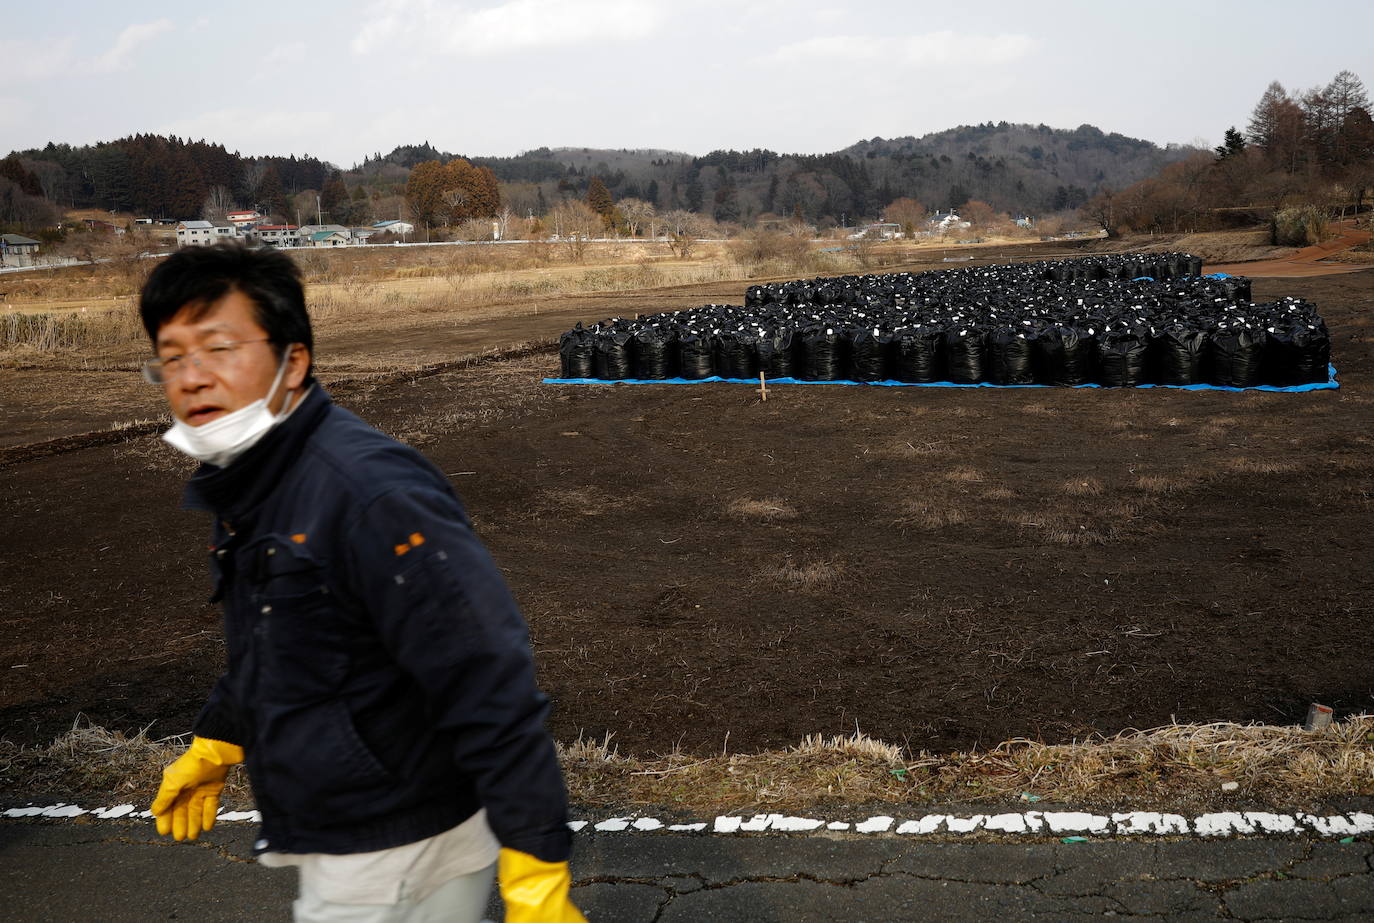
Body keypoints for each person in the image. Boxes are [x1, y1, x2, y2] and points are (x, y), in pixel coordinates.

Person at [142, 242, 584, 923]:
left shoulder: (367, 492)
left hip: (392, 844)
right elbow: (288, 634)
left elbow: (485, 670)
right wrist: (220, 737)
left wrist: (535, 869)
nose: (191, 377)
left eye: (218, 347)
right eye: (172, 357)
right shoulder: (259, 481)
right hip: (367, 827)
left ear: (294, 360)